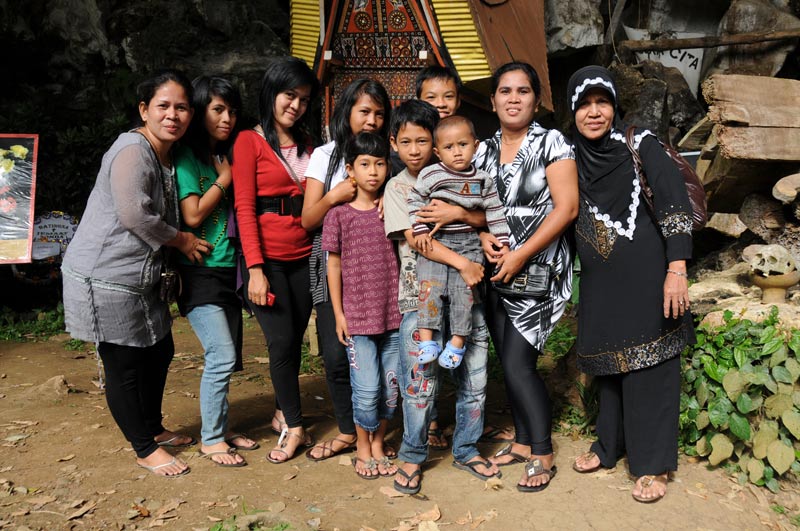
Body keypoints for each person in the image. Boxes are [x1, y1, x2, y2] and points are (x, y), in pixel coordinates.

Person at [62, 69, 210, 478]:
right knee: (124, 363)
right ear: (144, 110)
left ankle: (153, 427)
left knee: (159, 350)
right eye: (163, 106)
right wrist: (181, 240)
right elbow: (133, 214)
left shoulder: (166, 153)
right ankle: (144, 448)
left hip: (139, 278)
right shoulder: (132, 149)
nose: (173, 115)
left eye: (181, 107)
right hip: (105, 274)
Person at [567, 65, 694, 503]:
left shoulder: (641, 144)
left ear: (615, 105)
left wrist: (676, 270)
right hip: (602, 287)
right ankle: (609, 447)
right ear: (573, 111)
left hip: (648, 279)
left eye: (602, 102)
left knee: (651, 370)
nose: (594, 112)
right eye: (584, 105)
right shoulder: (569, 158)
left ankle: (651, 464)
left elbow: (675, 203)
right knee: (608, 369)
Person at [384, 99, 500, 494]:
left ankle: (466, 448)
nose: (415, 149)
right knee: (420, 383)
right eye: (408, 142)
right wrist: (465, 263)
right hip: (422, 296)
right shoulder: (399, 188)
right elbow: (419, 241)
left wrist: (464, 218)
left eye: (423, 140)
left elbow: (486, 215)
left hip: (468, 295)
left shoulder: (471, 178)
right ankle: (413, 454)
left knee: (475, 377)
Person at [475, 61, 579, 492]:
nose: (513, 98)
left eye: (522, 91)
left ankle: (542, 451)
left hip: (537, 268)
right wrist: (482, 234)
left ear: (536, 101)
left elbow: (566, 207)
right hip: (496, 270)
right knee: (506, 360)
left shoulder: (552, 142)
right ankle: (521, 440)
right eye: (505, 91)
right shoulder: (481, 150)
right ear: (494, 99)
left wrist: (520, 254)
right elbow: (476, 208)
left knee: (519, 365)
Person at [413, 65, 515, 450]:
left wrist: (482, 228)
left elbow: (489, 210)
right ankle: (425, 436)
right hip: (433, 262)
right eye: (431, 98)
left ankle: (466, 441)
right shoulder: (418, 163)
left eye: (448, 97)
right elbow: (415, 220)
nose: (440, 105)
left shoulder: (478, 170)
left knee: (466, 325)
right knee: (425, 358)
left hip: (470, 256)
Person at [232, 57, 319, 464]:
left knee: (294, 338)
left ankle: (284, 408)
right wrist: (255, 270)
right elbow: (245, 208)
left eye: (303, 99)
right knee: (281, 340)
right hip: (267, 260)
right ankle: (295, 427)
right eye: (289, 95)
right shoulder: (249, 141)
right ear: (271, 93)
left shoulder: (309, 145)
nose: (295, 105)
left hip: (305, 255)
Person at [301, 79, 393, 462]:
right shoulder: (327, 155)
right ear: (347, 113)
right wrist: (334, 196)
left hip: (381, 265)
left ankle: (375, 432)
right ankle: (348, 431)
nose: (371, 120)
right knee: (339, 356)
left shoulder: (389, 155)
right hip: (333, 258)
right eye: (363, 111)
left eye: (378, 114)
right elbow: (308, 219)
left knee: (384, 358)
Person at [174, 75, 259, 467]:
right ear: (199, 112)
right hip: (200, 274)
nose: (227, 118)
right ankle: (210, 439)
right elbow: (191, 214)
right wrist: (225, 180)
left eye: (231, 111)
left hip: (229, 272)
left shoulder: (224, 156)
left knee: (229, 358)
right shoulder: (188, 159)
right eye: (217, 109)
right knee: (221, 355)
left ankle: (221, 428)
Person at [322, 132, 400, 479]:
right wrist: (339, 314)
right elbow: (333, 264)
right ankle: (362, 445)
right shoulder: (338, 215)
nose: (373, 172)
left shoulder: (392, 207)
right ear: (350, 170)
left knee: (391, 387)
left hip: (395, 316)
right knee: (366, 388)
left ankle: (379, 441)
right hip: (357, 317)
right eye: (365, 165)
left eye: (380, 164)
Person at [407, 116, 510, 369]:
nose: (457, 152)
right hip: (436, 239)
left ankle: (457, 342)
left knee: (464, 294)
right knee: (429, 289)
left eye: (463, 145)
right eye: (449, 147)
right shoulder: (431, 174)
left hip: (469, 242)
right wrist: (419, 229)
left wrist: (503, 241)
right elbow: (414, 201)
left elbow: (495, 211)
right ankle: (427, 342)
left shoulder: (483, 179)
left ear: (475, 146)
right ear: (437, 151)